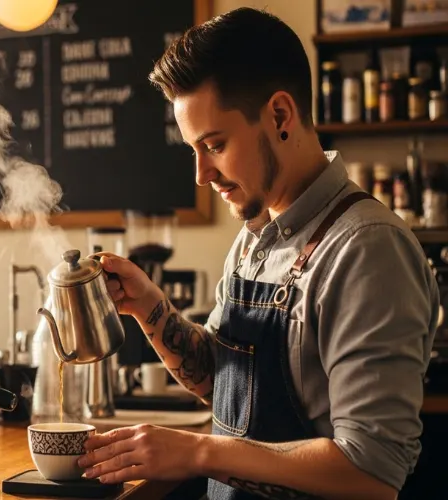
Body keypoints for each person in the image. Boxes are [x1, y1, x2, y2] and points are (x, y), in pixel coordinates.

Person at [76, 7, 439, 500]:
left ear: (281, 116)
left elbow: (370, 474)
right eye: (193, 150)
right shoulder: (256, 235)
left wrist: (197, 451)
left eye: (215, 144)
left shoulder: (367, 249)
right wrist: (150, 307)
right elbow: (223, 385)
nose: (201, 175)